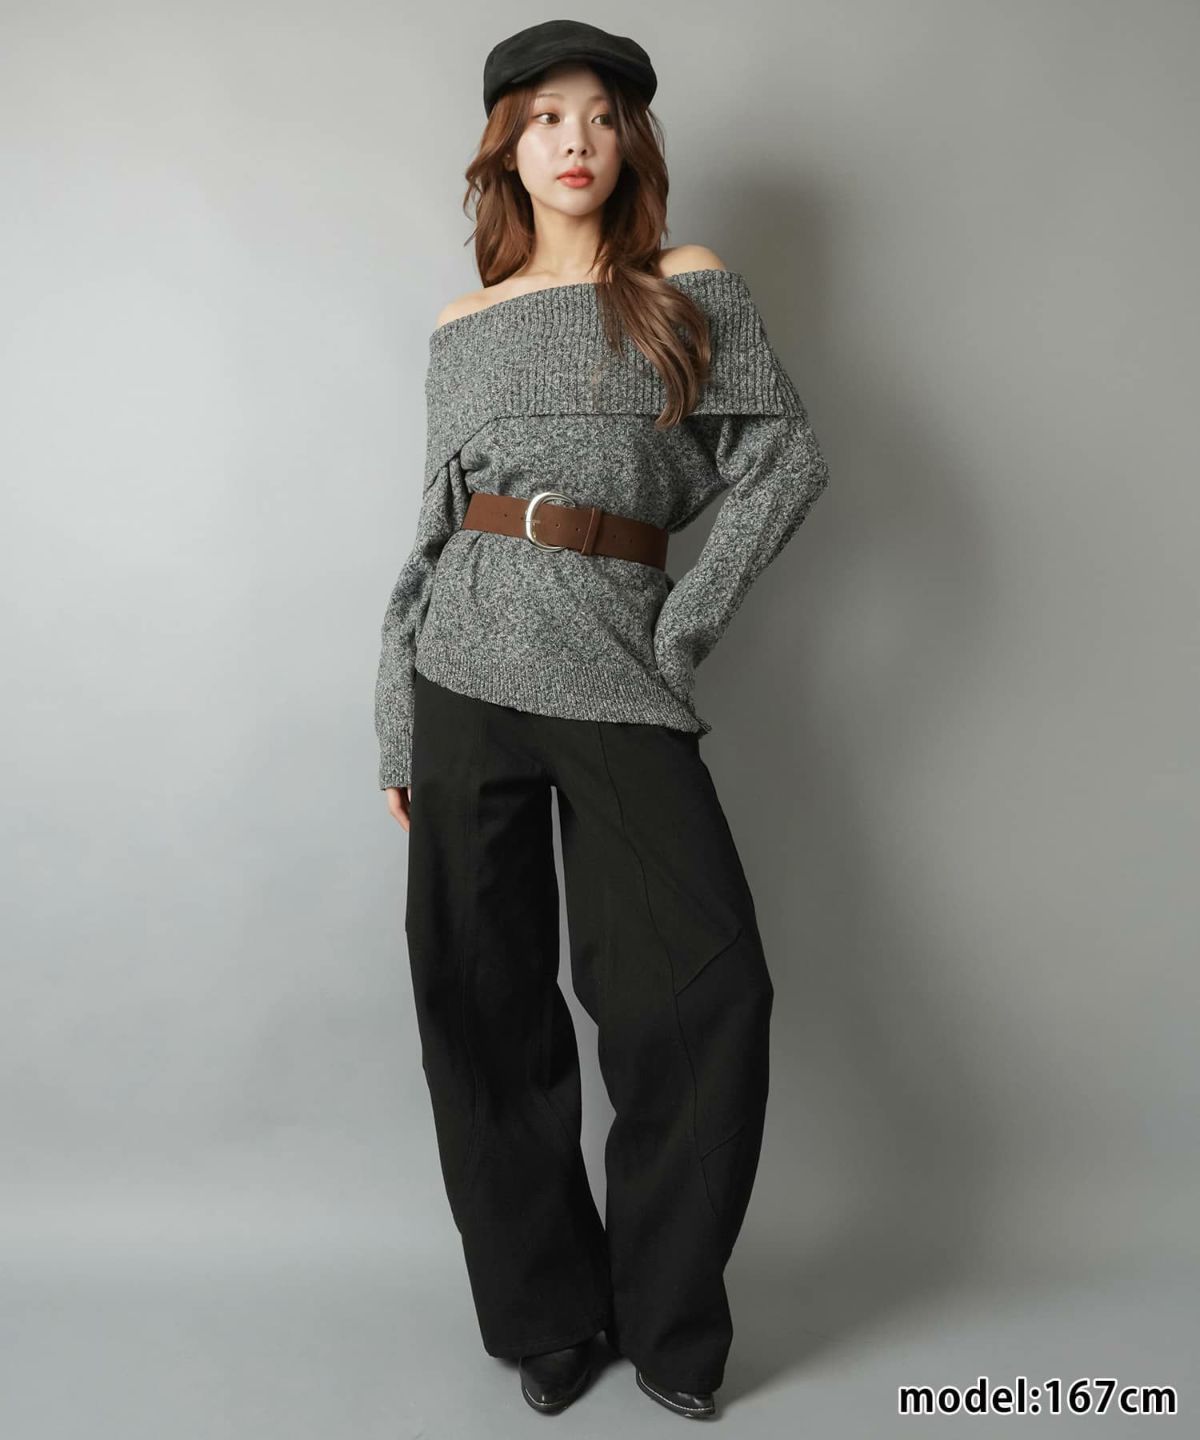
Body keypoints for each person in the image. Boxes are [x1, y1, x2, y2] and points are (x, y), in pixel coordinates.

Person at [373, 19, 831, 1421]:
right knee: (481, 1003)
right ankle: (548, 1317)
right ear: (506, 149)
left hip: (614, 659)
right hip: (460, 668)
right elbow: (431, 532)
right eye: (545, 117)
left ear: (631, 141)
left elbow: (784, 461)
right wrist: (396, 721)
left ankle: (668, 1317)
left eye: (601, 116)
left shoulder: (684, 286)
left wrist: (681, 628)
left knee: (704, 991)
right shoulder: (463, 327)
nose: (575, 140)